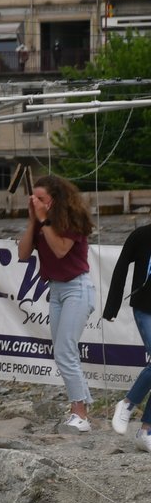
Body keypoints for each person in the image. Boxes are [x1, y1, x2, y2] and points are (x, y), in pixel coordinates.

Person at [18, 174, 95, 431]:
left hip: (77, 287)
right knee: (64, 351)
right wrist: (33, 221)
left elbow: (61, 250)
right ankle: (82, 406)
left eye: (41, 198)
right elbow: (23, 253)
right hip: (57, 289)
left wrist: (43, 219)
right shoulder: (41, 222)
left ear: (54, 199)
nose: (36, 202)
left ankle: (80, 413)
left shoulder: (72, 219)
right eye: (34, 198)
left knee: (64, 350)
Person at [106, 221, 151, 450]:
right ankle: (127, 403)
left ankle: (146, 432)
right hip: (146, 307)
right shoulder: (141, 235)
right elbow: (121, 267)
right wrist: (111, 307)